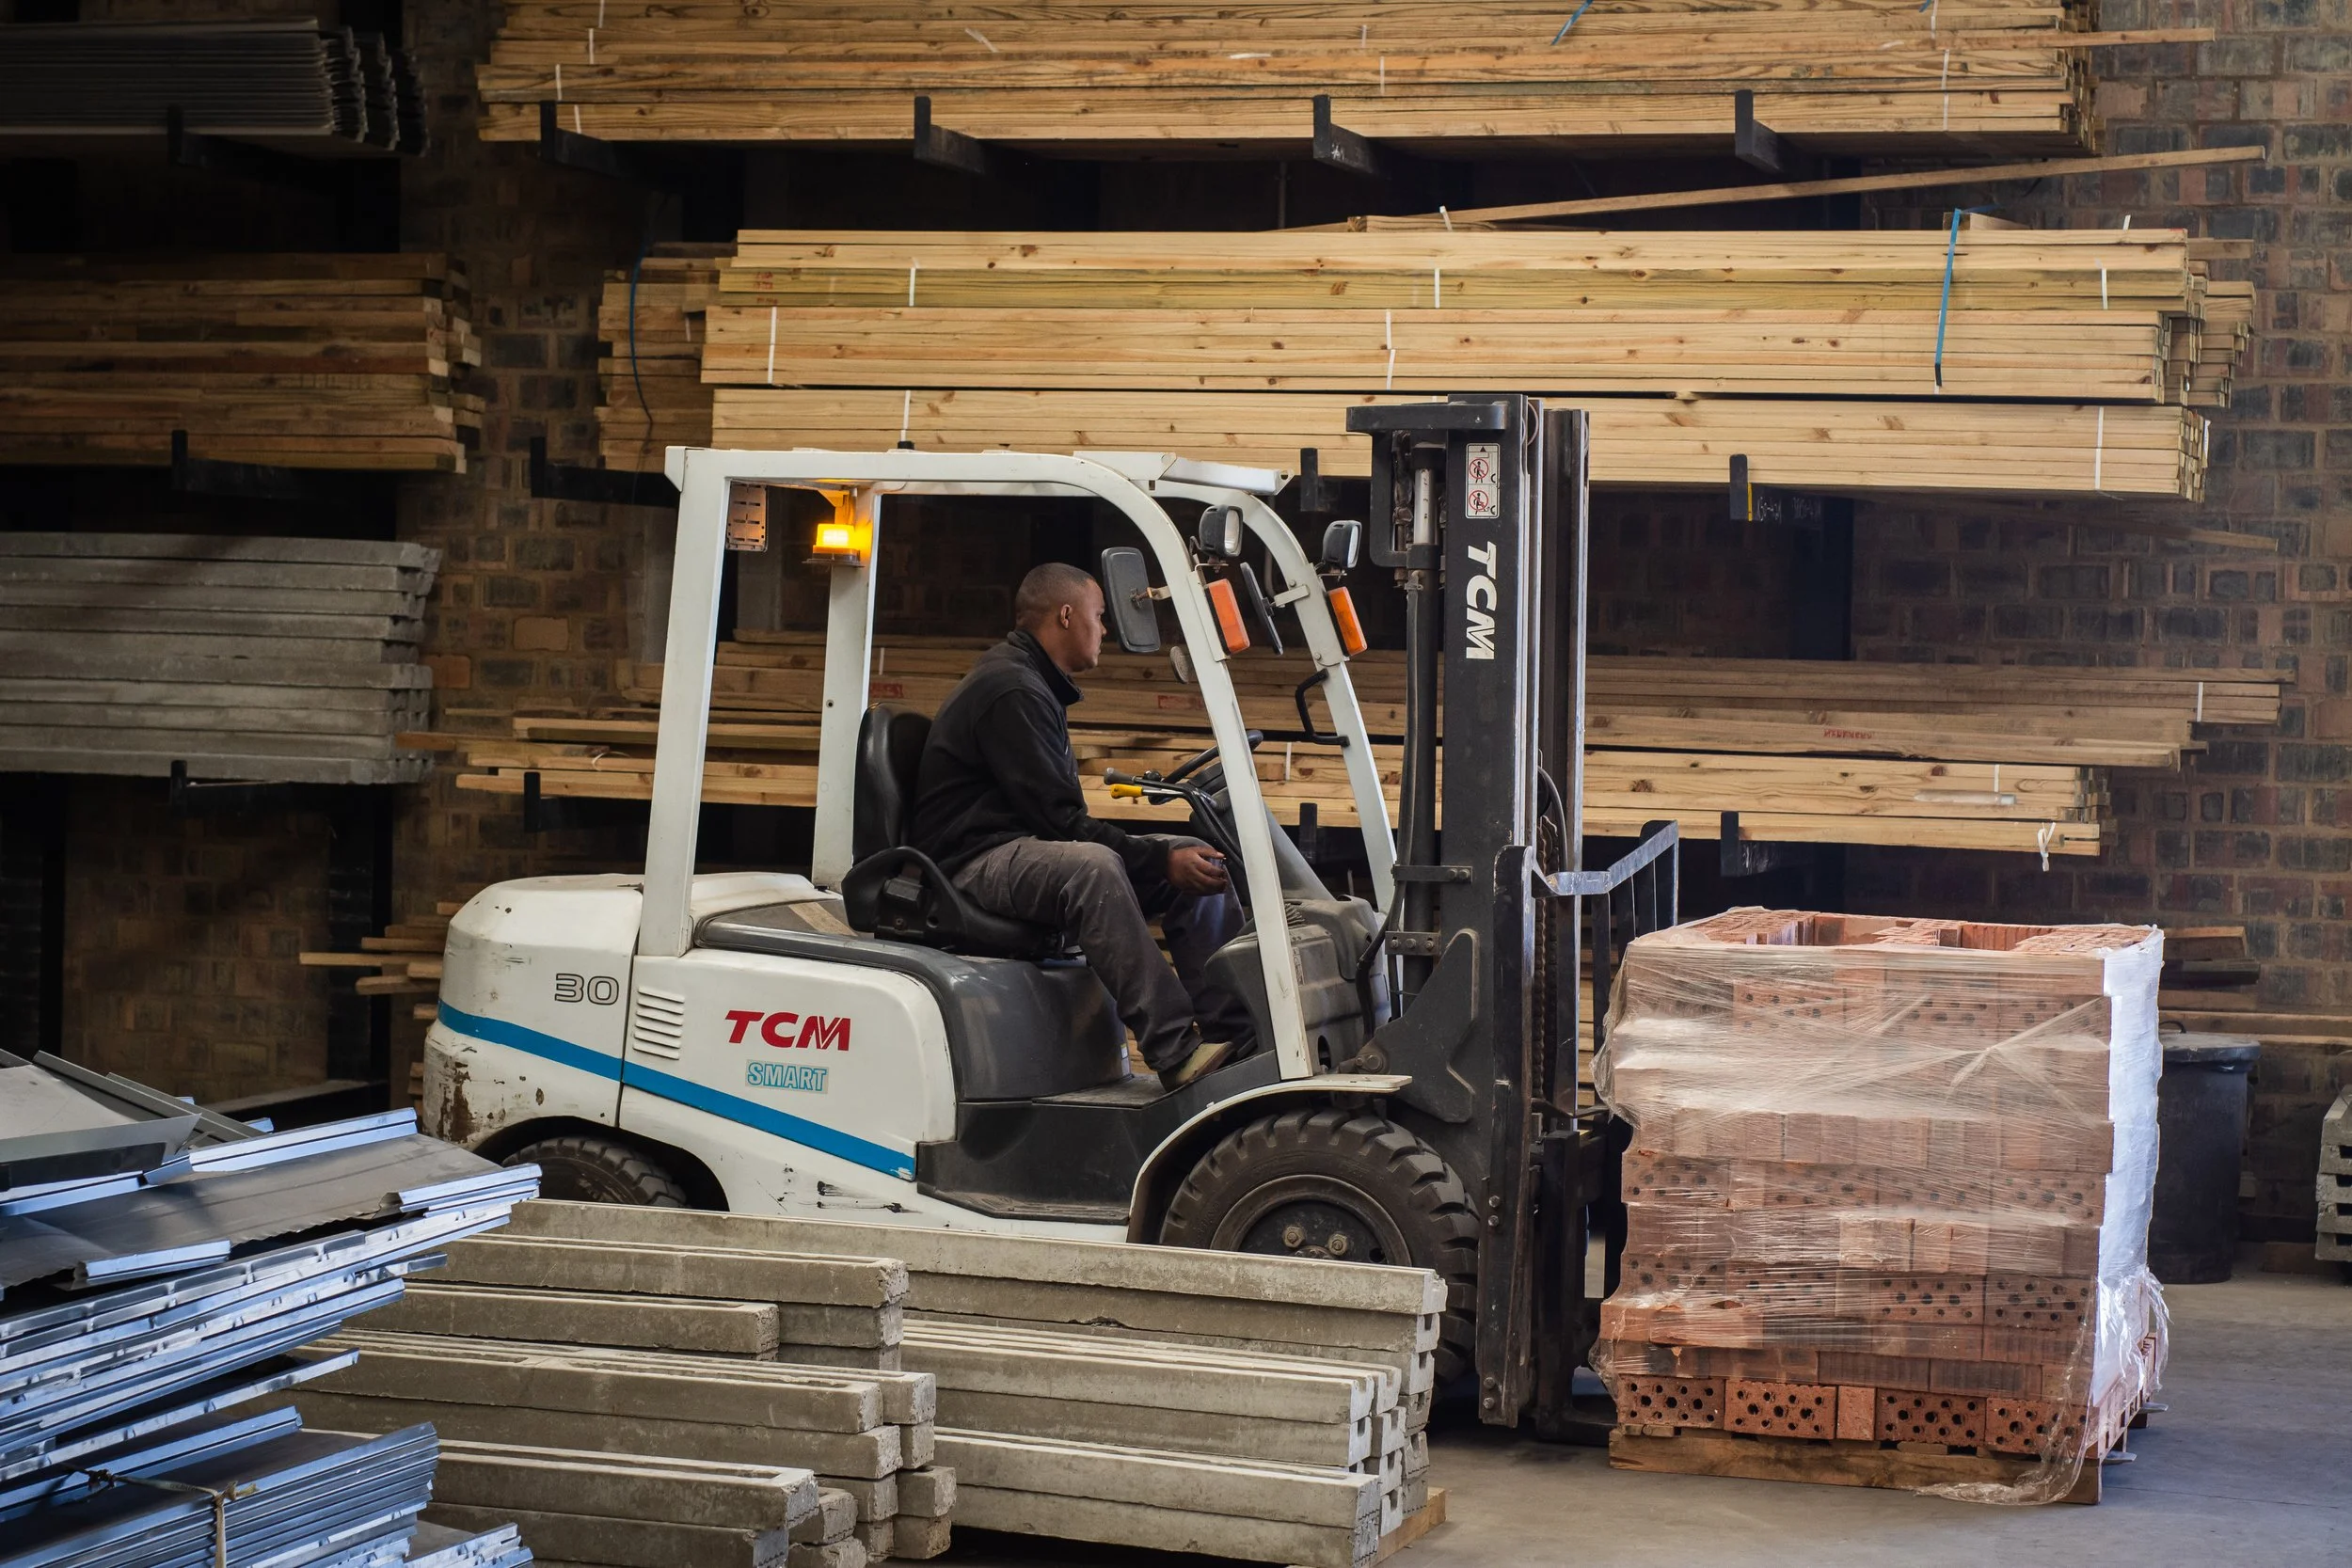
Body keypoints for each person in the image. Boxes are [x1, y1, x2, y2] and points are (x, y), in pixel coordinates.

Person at [910, 562, 1252, 1091]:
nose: (1105, 629)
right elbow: (1062, 824)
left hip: (1020, 847)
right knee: (1092, 867)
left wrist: (1168, 855)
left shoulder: (1032, 683)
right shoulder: (1012, 689)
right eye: (1099, 615)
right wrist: (1156, 860)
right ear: (1066, 616)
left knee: (1196, 854)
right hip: (973, 862)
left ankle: (1237, 1037)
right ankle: (1174, 1048)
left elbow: (1059, 820)